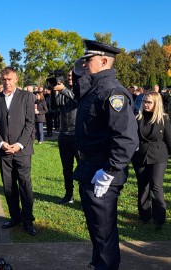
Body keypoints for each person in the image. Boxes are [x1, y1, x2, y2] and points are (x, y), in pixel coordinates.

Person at [73, 40, 139, 269]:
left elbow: (127, 139)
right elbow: (79, 93)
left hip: (102, 172)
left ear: (103, 61)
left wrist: (109, 172)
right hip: (90, 168)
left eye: (88, 59)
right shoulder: (95, 88)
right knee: (96, 229)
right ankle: (98, 264)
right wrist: (78, 72)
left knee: (104, 233)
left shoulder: (113, 92)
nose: (84, 63)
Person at [0, 67, 36, 236]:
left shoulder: (27, 96)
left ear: (16, 79)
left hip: (22, 151)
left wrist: (19, 144)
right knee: (9, 186)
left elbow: (30, 123)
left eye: (9, 79)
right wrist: (0, 143)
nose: (6, 82)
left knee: (24, 184)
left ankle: (28, 220)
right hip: (4, 152)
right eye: (3, 79)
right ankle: (15, 217)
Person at [131, 92, 171, 229]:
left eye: (149, 102)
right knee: (143, 186)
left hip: (158, 155)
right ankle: (144, 216)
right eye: (144, 102)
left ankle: (159, 219)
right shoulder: (137, 117)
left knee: (156, 185)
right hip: (140, 155)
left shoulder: (163, 119)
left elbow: (169, 138)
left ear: (156, 104)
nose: (146, 104)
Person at [47, 70, 79, 204]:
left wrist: (64, 89)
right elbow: (54, 106)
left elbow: (77, 99)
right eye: (68, 76)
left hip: (78, 134)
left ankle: (85, 195)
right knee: (67, 168)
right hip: (64, 134)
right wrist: (54, 91)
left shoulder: (80, 89)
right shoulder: (62, 91)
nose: (70, 77)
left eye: (72, 75)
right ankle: (69, 194)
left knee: (82, 166)